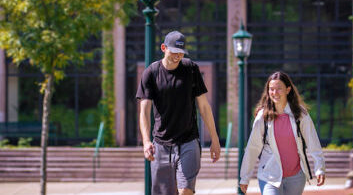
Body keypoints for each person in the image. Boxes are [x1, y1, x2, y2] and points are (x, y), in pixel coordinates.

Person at [137, 30, 221, 195]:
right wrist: (146, 141)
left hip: (188, 141)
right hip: (161, 144)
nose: (178, 56)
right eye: (174, 51)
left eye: (181, 53)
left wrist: (215, 138)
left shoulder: (191, 69)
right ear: (163, 48)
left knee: (185, 191)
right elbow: (144, 111)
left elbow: (204, 106)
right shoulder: (151, 73)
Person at [239, 71, 326, 195]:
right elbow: (252, 148)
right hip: (269, 175)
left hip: (296, 177)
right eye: (271, 89)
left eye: (279, 89)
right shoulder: (262, 117)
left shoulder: (300, 114)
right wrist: (245, 177)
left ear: (288, 90)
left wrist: (320, 169)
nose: (275, 93)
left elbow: (313, 143)